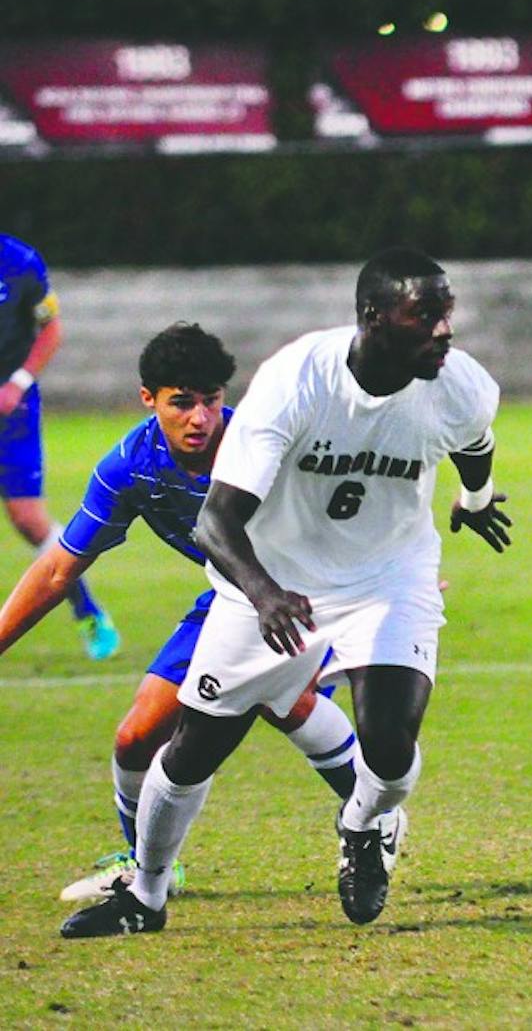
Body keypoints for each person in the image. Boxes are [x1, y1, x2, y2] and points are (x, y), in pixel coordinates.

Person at [61, 247, 510, 938]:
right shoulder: (297, 379)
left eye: (446, 314)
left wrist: (475, 498)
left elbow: (474, 440)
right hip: (272, 579)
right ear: (373, 318)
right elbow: (217, 519)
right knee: (190, 750)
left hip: (389, 574)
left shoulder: (460, 383)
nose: (444, 331)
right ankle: (144, 898)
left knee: (389, 746)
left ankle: (361, 823)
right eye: (426, 315)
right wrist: (266, 593)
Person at [0, 323, 393, 902]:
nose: (200, 419)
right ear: (149, 399)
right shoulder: (131, 467)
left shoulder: (264, 445)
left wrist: (392, 571)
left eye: (210, 400)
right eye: (181, 403)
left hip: (311, 591)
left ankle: (372, 815)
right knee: (136, 739)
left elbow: (356, 498)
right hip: (232, 598)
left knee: (281, 697)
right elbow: (59, 569)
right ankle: (148, 866)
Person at [0, 232, 117, 658]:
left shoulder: (20, 262)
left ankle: (87, 610)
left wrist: (17, 382)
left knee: (29, 520)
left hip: (10, 409)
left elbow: (50, 330)